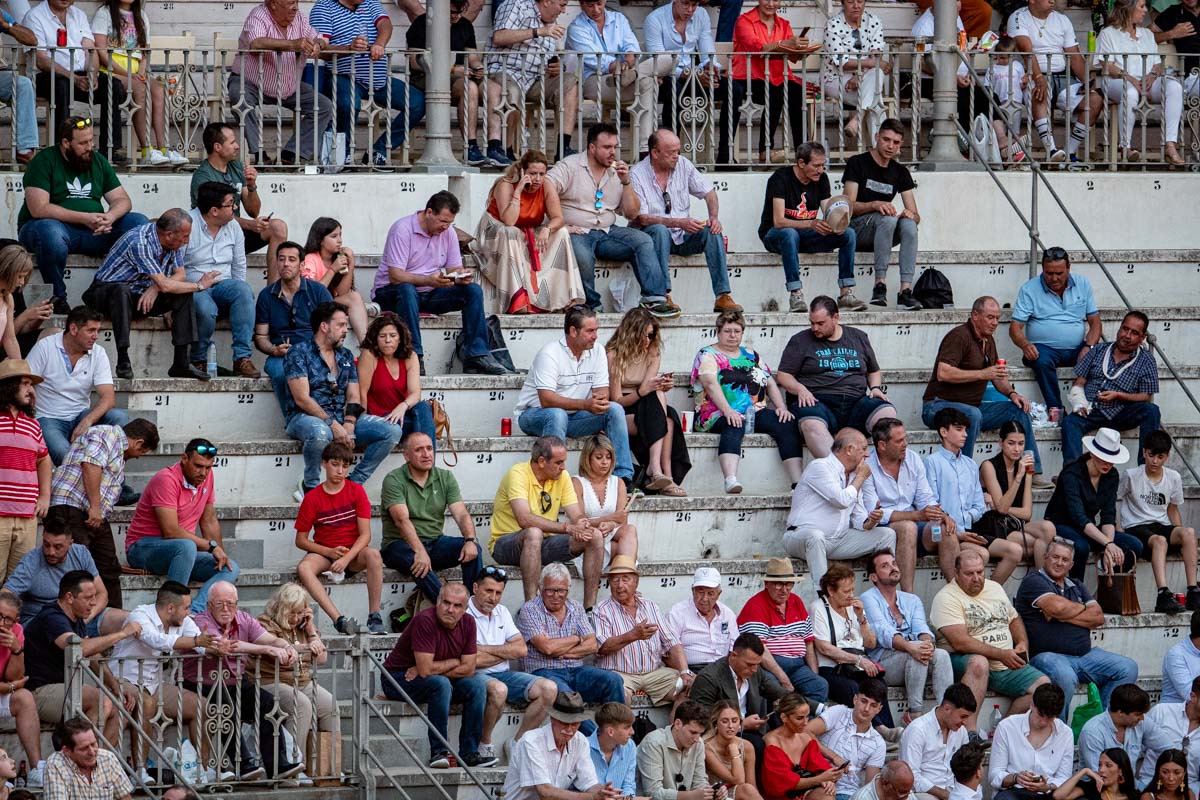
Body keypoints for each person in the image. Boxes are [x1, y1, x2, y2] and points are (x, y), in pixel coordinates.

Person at [17, 117, 148, 311]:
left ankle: (127, 290)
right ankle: (58, 298)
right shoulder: (43, 161)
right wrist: (84, 218)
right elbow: (39, 208)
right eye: (83, 143)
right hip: (50, 229)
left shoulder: (97, 161)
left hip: (93, 231)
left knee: (139, 223)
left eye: (91, 141)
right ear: (66, 143)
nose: (89, 147)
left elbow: (123, 200)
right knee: (50, 232)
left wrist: (110, 217)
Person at [549, 123, 677, 317]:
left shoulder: (617, 172)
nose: (613, 152)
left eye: (615, 147)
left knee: (643, 240)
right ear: (592, 148)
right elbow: (546, 186)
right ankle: (591, 305)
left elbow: (632, 213)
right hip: (578, 231)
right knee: (581, 254)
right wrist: (559, 222)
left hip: (607, 231)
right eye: (607, 147)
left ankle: (654, 299)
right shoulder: (570, 165)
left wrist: (626, 182)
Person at [372, 191, 508, 375]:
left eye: (450, 222)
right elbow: (395, 275)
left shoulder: (449, 233)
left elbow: (454, 268)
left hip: (428, 291)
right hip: (392, 292)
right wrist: (429, 280)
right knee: (407, 289)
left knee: (472, 291)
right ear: (429, 213)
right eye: (442, 221)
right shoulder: (402, 229)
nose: (446, 227)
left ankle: (476, 354)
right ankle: (414, 354)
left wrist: (461, 276)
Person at [181, 581, 304, 781]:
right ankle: (244, 764)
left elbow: (271, 639)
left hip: (235, 683)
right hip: (202, 685)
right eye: (219, 604)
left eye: (230, 603)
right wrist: (266, 649)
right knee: (225, 706)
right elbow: (225, 646)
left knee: (268, 703)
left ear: (237, 604)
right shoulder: (200, 622)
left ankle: (278, 765)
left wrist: (286, 646)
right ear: (209, 605)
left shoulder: (243, 618)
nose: (226, 608)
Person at [921, 296, 1045, 484]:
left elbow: (996, 375)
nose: (995, 322)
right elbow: (943, 373)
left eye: (997, 318)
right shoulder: (959, 336)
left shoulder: (989, 340)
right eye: (990, 317)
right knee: (973, 415)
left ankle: (1031, 471)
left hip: (972, 407)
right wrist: (981, 374)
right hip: (937, 407)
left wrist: (1013, 394)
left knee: (1017, 409)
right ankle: (965, 474)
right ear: (975, 315)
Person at [284, 301, 401, 500]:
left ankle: (352, 484)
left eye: (346, 325)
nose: (345, 330)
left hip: (341, 416)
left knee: (392, 431)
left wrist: (349, 423)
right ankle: (310, 486)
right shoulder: (298, 352)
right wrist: (333, 424)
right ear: (324, 327)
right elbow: (302, 399)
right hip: (306, 417)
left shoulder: (345, 354)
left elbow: (354, 395)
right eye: (340, 325)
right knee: (320, 433)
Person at [1014, 536, 1138, 721]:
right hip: (1047, 655)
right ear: (1045, 557)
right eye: (1055, 557)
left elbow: (1098, 617)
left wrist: (1061, 614)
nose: (1059, 563)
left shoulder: (1077, 585)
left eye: (1065, 560)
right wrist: (1076, 609)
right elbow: (1057, 607)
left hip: (1085, 656)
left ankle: (1099, 725)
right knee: (1064, 676)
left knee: (1128, 668)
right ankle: (1059, 729)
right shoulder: (1034, 581)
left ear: (1071, 565)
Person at [82, 210, 214, 381]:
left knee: (183, 295)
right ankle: (123, 359)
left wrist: (155, 287)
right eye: (185, 236)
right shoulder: (139, 241)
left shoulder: (172, 243)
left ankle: (181, 363)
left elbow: (180, 275)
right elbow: (166, 283)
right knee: (121, 290)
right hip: (103, 294)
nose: (186, 241)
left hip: (139, 294)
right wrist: (199, 285)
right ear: (169, 234)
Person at [929, 549, 1050, 730]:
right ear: (956, 573)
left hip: (1005, 663)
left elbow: (1014, 618)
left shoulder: (994, 587)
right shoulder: (946, 597)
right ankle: (969, 732)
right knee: (979, 663)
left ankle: (1002, 729)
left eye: (980, 572)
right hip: (965, 661)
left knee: (1043, 688)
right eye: (969, 574)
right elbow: (959, 642)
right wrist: (1001, 654)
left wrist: (1022, 643)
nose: (976, 578)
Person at [515, 305, 634, 486]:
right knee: (557, 414)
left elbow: (602, 394)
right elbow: (546, 400)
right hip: (534, 415)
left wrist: (596, 404)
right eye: (590, 331)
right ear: (573, 331)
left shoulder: (598, 351)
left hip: (574, 418)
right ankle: (556, 480)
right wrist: (585, 404)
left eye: (596, 330)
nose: (595, 336)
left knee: (614, 409)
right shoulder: (550, 353)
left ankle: (623, 478)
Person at [47, 418, 158, 608]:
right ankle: (74, 623)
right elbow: (91, 465)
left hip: (90, 511)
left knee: (109, 568)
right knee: (77, 569)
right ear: (138, 442)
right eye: (142, 451)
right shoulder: (107, 434)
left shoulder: (115, 446)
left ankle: (112, 620)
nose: (139, 456)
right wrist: (96, 507)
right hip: (71, 507)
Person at [631, 129, 741, 314]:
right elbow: (642, 217)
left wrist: (713, 217)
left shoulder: (683, 164)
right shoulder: (637, 174)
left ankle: (722, 295)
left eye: (678, 151)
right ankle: (663, 293)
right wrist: (678, 222)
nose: (676, 156)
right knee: (659, 230)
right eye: (671, 152)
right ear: (655, 153)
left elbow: (709, 193)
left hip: (681, 236)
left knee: (711, 230)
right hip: (653, 236)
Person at [108, 581, 207, 786]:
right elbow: (155, 640)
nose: (189, 613)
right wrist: (197, 642)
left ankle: (204, 769)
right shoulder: (140, 614)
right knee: (147, 703)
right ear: (170, 608)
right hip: (124, 679)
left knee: (201, 705)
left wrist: (218, 644)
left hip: (155, 683)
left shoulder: (182, 621)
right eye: (186, 608)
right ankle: (140, 771)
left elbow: (201, 643)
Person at [124, 438, 240, 614]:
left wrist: (219, 554)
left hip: (183, 553)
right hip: (142, 549)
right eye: (198, 466)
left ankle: (194, 612)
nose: (203, 472)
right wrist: (211, 546)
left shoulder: (206, 478)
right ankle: (171, 610)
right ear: (184, 458)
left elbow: (208, 520)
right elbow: (170, 531)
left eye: (208, 467)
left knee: (230, 567)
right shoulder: (166, 479)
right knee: (186, 545)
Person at [691, 310, 801, 494]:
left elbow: (770, 382)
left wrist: (781, 407)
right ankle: (730, 479)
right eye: (727, 331)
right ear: (718, 332)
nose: (732, 335)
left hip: (754, 411)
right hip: (716, 413)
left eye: (737, 331)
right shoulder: (707, 354)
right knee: (735, 423)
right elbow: (710, 384)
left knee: (786, 422)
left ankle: (798, 484)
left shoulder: (751, 354)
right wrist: (728, 411)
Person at [25, 571, 141, 745]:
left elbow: (93, 655)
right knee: (101, 700)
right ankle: (79, 756)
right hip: (40, 691)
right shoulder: (52, 617)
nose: (94, 603)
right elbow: (80, 648)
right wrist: (123, 633)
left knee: (122, 706)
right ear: (70, 597)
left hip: (67, 688)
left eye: (94, 596)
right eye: (88, 597)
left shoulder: (75, 616)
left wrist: (115, 686)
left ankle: (99, 762)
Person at [308, 0, 424, 170]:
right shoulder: (324, 7)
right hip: (343, 76)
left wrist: (379, 43)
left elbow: (386, 24)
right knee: (348, 104)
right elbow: (321, 49)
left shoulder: (369, 3)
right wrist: (349, 48)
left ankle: (379, 151)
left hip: (378, 80)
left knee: (417, 102)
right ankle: (343, 154)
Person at [490, 436, 605, 606]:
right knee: (533, 532)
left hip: (543, 542)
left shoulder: (562, 476)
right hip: (506, 544)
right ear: (542, 461)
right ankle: (532, 607)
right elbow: (524, 519)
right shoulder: (517, 474)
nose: (563, 467)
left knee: (594, 536)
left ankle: (590, 608)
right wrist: (567, 527)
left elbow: (576, 513)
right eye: (559, 462)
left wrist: (582, 523)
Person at [776, 295, 896, 458]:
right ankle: (837, 472)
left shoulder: (858, 337)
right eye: (812, 323)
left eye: (820, 323)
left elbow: (873, 370)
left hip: (856, 402)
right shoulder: (800, 340)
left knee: (887, 414)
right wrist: (800, 389)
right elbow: (783, 375)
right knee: (811, 424)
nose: (815, 328)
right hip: (817, 400)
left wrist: (875, 387)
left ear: (835, 318)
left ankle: (880, 474)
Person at [24, 281, 127, 463]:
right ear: (73, 329)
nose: (96, 336)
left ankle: (109, 478)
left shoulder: (98, 352)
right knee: (67, 455)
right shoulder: (45, 347)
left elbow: (108, 398)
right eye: (91, 330)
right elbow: (24, 383)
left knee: (121, 419)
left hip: (81, 415)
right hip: (48, 418)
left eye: (98, 330)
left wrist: (87, 421)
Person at [784, 430, 899, 587]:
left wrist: (871, 521)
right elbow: (841, 500)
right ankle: (824, 596)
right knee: (815, 537)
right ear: (849, 449)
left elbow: (859, 519)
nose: (868, 455)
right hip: (800, 537)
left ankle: (885, 590)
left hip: (838, 540)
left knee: (887, 534)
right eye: (863, 449)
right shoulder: (819, 467)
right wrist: (860, 478)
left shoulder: (854, 475)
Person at [474, 150, 583, 314]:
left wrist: (547, 229)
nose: (538, 179)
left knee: (561, 233)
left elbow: (558, 218)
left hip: (527, 230)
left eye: (542, 174)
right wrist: (518, 191)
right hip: (497, 233)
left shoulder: (546, 185)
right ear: (523, 171)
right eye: (533, 173)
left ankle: (565, 298)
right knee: (510, 232)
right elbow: (509, 221)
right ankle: (518, 299)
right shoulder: (505, 185)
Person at [294, 442, 385, 635]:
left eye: (345, 466)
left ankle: (375, 616)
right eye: (335, 464)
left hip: (352, 553)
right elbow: (301, 540)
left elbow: (366, 535)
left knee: (374, 555)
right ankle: (338, 619)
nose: (340, 471)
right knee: (304, 568)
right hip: (325, 552)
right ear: (324, 464)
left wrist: (346, 558)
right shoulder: (312, 498)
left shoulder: (357, 491)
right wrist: (328, 552)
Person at [565, 3, 674, 164]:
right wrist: (616, 65)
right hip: (596, 80)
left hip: (625, 77)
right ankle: (645, 151)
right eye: (589, 5)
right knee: (649, 80)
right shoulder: (576, 27)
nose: (596, 10)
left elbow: (632, 47)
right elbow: (594, 58)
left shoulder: (618, 19)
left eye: (599, 3)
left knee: (670, 58)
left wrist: (629, 60)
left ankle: (635, 74)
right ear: (581, 4)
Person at [857, 418, 959, 589]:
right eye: (899, 441)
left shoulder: (913, 459)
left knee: (944, 529)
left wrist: (941, 515)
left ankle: (958, 593)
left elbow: (925, 498)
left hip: (914, 527)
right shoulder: (867, 466)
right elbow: (873, 513)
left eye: (905, 438)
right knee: (907, 527)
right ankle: (907, 597)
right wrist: (915, 515)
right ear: (882, 445)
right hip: (881, 531)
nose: (905, 444)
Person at [926, 407, 1024, 584]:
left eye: (965, 429)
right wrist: (959, 525)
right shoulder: (932, 462)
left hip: (970, 530)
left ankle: (988, 596)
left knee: (1015, 551)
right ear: (943, 432)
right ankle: (971, 598)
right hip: (945, 532)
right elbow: (931, 504)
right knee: (982, 554)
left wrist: (968, 516)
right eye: (959, 429)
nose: (965, 434)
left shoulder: (970, 464)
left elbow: (979, 506)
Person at [382, 431, 481, 604]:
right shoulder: (394, 479)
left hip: (435, 542)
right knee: (415, 560)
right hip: (399, 545)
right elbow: (401, 520)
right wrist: (419, 551)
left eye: (429, 448)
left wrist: (470, 540)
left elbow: (461, 513)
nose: (426, 454)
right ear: (406, 455)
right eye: (419, 450)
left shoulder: (445, 477)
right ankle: (448, 606)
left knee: (473, 550)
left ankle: (472, 606)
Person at [228, 0, 332, 163]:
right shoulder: (258, 15)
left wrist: (318, 44)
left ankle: (291, 154)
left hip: (288, 86)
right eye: (291, 2)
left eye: (297, 2)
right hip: (252, 83)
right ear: (274, 4)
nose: (295, 7)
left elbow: (320, 39)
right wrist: (292, 44)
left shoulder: (300, 18)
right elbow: (257, 43)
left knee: (323, 106)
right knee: (239, 97)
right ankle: (258, 153)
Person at [468, 565, 559, 750]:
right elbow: (471, 660)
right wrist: (504, 652)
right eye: (488, 591)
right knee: (499, 690)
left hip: (504, 673)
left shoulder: (501, 611)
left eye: (498, 593)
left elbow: (521, 649)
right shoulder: (463, 612)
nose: (493, 598)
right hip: (474, 675)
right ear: (475, 588)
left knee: (549, 689)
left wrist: (483, 649)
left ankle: (517, 743)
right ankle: (485, 744)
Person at [759, 143, 857, 313]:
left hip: (806, 237)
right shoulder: (780, 178)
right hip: (776, 236)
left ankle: (846, 293)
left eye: (823, 165)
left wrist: (837, 224)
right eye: (816, 165)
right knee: (789, 234)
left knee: (848, 234)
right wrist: (811, 223)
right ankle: (796, 294)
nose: (821, 170)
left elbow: (828, 211)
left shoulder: (821, 179)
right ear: (801, 163)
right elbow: (779, 221)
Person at [484, 0, 580, 167]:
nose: (564, 11)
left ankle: (563, 149)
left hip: (536, 78)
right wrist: (539, 32)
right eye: (562, 5)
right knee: (510, 90)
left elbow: (548, 54)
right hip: (507, 72)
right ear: (548, 1)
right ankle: (501, 150)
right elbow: (499, 36)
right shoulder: (516, 5)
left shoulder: (550, 19)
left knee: (570, 82)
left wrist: (558, 66)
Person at [255, 583, 337, 777]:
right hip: (269, 682)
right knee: (301, 704)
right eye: (292, 612)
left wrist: (311, 631)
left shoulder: (303, 626)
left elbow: (323, 659)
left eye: (301, 613)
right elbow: (284, 654)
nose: (296, 618)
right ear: (280, 607)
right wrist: (309, 648)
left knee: (330, 706)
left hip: (301, 682)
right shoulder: (264, 624)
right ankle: (292, 766)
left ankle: (326, 769)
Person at [515, 564, 625, 707]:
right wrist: (576, 639)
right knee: (570, 701)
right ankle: (595, 731)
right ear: (540, 588)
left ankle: (617, 727)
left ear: (568, 589)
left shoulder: (576, 607)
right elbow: (548, 648)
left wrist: (564, 653)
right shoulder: (530, 609)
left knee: (613, 680)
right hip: (544, 672)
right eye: (550, 590)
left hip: (576, 670)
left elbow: (592, 645)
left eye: (561, 590)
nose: (556, 596)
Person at [90, 0, 185, 167]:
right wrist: (127, 74)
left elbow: (144, 51)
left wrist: (140, 72)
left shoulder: (141, 15)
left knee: (159, 90)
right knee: (141, 90)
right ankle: (146, 150)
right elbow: (102, 52)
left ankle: (164, 149)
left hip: (135, 73)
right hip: (111, 72)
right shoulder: (104, 13)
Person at [26, 1, 126, 159]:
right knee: (61, 85)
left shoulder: (78, 14)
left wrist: (92, 73)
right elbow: (41, 60)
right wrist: (72, 77)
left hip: (80, 74)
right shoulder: (35, 16)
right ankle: (64, 148)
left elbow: (89, 49)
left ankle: (110, 149)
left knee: (113, 85)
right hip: (48, 75)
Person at [861, 550, 954, 720]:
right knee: (916, 654)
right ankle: (915, 713)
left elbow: (922, 629)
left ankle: (946, 711)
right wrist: (912, 647)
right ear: (873, 577)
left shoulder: (912, 599)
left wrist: (926, 643)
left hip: (913, 654)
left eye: (894, 563)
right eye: (885, 565)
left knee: (941, 655)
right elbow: (883, 632)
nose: (893, 568)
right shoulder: (868, 598)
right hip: (883, 662)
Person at [1008, 0, 1103, 163]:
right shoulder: (1018, 17)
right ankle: (1051, 150)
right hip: (1031, 75)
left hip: (1063, 76)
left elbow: (1074, 56)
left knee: (1094, 101)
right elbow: (1026, 50)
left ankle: (1068, 153)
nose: (1052, 0)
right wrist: (1038, 78)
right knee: (1039, 93)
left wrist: (1087, 83)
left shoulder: (1062, 19)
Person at [190, 121, 289, 279]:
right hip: (214, 235)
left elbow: (253, 211)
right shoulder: (203, 176)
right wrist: (250, 224)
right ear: (217, 147)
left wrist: (251, 186)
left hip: (236, 231)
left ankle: (272, 294)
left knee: (278, 228)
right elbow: (214, 215)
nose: (237, 146)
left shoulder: (235, 166)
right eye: (232, 142)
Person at [842, 121, 923, 311]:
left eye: (896, 142)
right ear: (877, 137)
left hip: (884, 232)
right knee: (887, 218)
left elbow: (917, 216)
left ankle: (906, 291)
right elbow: (846, 207)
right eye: (886, 140)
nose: (890, 146)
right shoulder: (858, 163)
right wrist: (874, 205)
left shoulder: (900, 172)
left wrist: (910, 214)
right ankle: (880, 285)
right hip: (857, 231)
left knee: (909, 224)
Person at [605, 309, 687, 494]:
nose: (647, 341)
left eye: (651, 335)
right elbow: (616, 401)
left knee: (667, 415)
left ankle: (662, 473)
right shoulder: (614, 355)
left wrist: (661, 384)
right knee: (663, 412)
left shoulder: (653, 353)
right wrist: (642, 392)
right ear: (631, 334)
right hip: (621, 410)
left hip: (646, 406)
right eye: (643, 336)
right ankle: (660, 473)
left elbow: (649, 388)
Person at [1044, 428, 1143, 582]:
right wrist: (1107, 543)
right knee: (1081, 547)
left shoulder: (1112, 475)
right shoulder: (1072, 474)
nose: (1108, 464)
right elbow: (1078, 516)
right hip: (1062, 524)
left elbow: (1108, 515)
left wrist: (1108, 546)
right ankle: (1076, 592)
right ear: (1092, 454)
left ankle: (1108, 586)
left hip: (1089, 528)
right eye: (1103, 458)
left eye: (1111, 459)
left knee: (1134, 544)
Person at [1009, 248, 1102, 411]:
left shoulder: (1083, 284)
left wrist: (1089, 346)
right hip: (1044, 350)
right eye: (1049, 273)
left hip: (1077, 348)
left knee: (1102, 354)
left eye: (1059, 273)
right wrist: (1025, 345)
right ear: (1042, 269)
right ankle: (1056, 409)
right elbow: (1015, 328)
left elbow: (1095, 323)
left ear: (1068, 268)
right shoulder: (1029, 289)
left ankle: (1092, 407)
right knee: (1041, 360)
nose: (1054, 278)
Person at [185, 181, 261, 379]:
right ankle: (198, 359)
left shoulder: (233, 226)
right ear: (214, 211)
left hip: (223, 285)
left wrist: (239, 290)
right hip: (194, 286)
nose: (235, 208)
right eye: (230, 204)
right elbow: (172, 266)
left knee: (243, 290)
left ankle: (242, 358)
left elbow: (239, 264)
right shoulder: (187, 225)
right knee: (205, 307)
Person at [1063, 311, 1160, 465]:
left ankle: (1144, 468)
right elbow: (1079, 384)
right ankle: (1073, 473)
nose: (1127, 335)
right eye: (1125, 329)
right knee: (1069, 423)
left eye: (1134, 333)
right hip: (1092, 410)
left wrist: (1119, 395)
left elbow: (1146, 396)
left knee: (1151, 410)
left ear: (1142, 338)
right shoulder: (1099, 350)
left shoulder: (1146, 360)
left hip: (1121, 412)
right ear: (1119, 328)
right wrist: (1079, 404)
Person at [594, 556, 691, 707]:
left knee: (687, 689)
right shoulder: (602, 610)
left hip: (654, 674)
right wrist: (632, 636)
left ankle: (674, 731)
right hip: (619, 674)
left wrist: (685, 672)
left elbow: (673, 643)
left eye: (625, 579)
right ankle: (625, 731)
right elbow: (602, 648)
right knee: (618, 697)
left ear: (636, 582)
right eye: (615, 580)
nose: (620, 585)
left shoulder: (650, 606)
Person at [1121, 430, 1199, 614]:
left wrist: (1179, 533)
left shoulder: (1173, 477)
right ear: (1143, 453)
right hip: (1136, 526)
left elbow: (1172, 509)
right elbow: (1115, 502)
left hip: (1161, 524)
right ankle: (1163, 594)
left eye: (1160, 456)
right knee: (1159, 541)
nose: (1155, 461)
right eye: (1151, 455)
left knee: (1188, 533)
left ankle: (1193, 591)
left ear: (1167, 456)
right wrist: (1118, 532)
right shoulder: (1131, 475)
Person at [810, 567, 894, 730]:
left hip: (855, 666)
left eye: (852, 590)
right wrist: (858, 660)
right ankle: (878, 729)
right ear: (831, 591)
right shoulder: (818, 608)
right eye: (846, 591)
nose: (851, 595)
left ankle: (887, 728)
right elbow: (824, 647)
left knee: (879, 684)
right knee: (854, 689)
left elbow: (870, 643)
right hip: (832, 668)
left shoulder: (853, 607)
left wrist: (861, 617)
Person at [254, 242, 334, 411]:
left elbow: (332, 330)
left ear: (302, 264)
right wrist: (274, 350)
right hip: (281, 356)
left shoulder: (319, 292)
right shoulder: (266, 296)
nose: (286, 264)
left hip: (314, 353)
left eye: (291, 259)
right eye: (281, 259)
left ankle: (319, 419)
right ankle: (293, 418)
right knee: (282, 374)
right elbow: (261, 337)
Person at [736, 559, 829, 704]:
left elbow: (808, 642)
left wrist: (813, 673)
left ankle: (807, 725)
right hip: (768, 666)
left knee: (819, 685)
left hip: (798, 664)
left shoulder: (796, 601)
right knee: (775, 690)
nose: (784, 589)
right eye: (778, 584)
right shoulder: (755, 606)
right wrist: (784, 680)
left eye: (788, 584)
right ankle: (783, 726)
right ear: (767, 584)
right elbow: (760, 650)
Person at [405, 0, 483, 165]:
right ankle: (471, 146)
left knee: (493, 89)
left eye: (461, 12)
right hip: (426, 76)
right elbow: (414, 62)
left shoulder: (465, 25)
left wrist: (477, 67)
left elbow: (472, 56)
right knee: (469, 88)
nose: (457, 16)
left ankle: (495, 147)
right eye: (453, 12)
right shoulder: (422, 23)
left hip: (460, 76)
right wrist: (453, 69)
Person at [977, 421, 1058, 578]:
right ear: (1001, 443)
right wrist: (1019, 476)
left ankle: (1040, 583)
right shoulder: (989, 466)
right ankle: (1041, 584)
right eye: (1011, 443)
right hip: (993, 525)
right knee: (1042, 546)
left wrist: (998, 506)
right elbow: (1002, 509)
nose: (1017, 449)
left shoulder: (1025, 467)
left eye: (1021, 444)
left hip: (1015, 523)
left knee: (1048, 528)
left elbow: (1026, 513)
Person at [691, 634, 786, 765]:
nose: (754, 670)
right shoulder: (709, 678)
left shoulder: (754, 672)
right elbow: (701, 721)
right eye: (749, 664)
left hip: (750, 730)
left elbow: (781, 694)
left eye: (757, 665)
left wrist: (819, 708)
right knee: (757, 745)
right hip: (719, 735)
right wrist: (741, 725)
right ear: (733, 656)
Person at [731, 0, 807, 165]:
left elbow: (792, 57)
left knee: (797, 92)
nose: (771, 3)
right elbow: (757, 49)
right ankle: (765, 150)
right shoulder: (744, 21)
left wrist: (801, 49)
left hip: (778, 77)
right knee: (776, 92)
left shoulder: (784, 24)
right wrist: (783, 44)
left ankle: (804, 152)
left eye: (776, 0)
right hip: (748, 78)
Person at [356, 313, 437, 463]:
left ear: (400, 338)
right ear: (375, 338)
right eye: (382, 336)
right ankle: (427, 467)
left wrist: (402, 406)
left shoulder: (410, 356)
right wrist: (363, 426)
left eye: (393, 335)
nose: (388, 340)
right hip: (383, 420)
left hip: (403, 416)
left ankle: (426, 465)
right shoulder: (369, 355)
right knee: (425, 426)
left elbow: (415, 393)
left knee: (423, 408)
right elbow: (362, 393)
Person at [501, 691, 612, 800]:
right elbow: (544, 792)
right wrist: (592, 797)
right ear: (553, 719)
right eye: (564, 722)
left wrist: (605, 793)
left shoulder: (580, 741)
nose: (569, 729)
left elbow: (590, 784)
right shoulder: (531, 741)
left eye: (574, 724)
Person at [643, 0, 729, 137]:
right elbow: (659, 63)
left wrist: (711, 67)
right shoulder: (654, 19)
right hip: (666, 77)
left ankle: (725, 154)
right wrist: (689, 74)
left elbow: (708, 54)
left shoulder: (701, 15)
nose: (690, 9)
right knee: (674, 89)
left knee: (734, 90)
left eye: (694, 5)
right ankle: (670, 150)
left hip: (694, 75)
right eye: (685, 3)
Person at [0, 361, 49, 584]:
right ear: (9, 387)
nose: (31, 390)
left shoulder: (33, 425)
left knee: (17, 583)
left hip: (27, 517)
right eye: (25, 384)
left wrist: (45, 496)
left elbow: (44, 459)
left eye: (32, 384)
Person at [987, 684, 1074, 800]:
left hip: (1047, 794)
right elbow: (994, 775)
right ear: (1032, 704)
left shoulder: (1065, 733)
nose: (1043, 722)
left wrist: (1047, 786)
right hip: (1013, 791)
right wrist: (1016, 778)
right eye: (1040, 715)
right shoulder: (1007, 726)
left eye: (1049, 718)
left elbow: (1064, 778)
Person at [823, 0, 888, 149]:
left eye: (860, 1)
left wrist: (859, 75)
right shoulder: (833, 25)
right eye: (851, 2)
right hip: (837, 79)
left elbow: (875, 55)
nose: (856, 6)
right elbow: (842, 62)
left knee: (875, 79)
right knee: (875, 97)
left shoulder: (874, 21)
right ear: (843, 3)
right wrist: (869, 66)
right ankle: (882, 154)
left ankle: (857, 119)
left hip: (865, 78)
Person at [811, 679, 889, 798]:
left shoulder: (878, 743)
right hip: (819, 782)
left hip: (849, 793)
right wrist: (834, 757)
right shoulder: (839, 712)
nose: (867, 709)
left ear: (879, 709)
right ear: (855, 699)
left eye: (873, 705)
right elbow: (805, 732)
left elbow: (870, 786)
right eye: (864, 701)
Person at [571, 434, 641, 564]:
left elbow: (622, 521)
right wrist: (609, 518)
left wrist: (611, 524)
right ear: (587, 458)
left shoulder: (618, 482)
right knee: (619, 550)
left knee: (630, 530)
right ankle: (625, 575)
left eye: (608, 457)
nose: (605, 462)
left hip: (611, 534)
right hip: (587, 537)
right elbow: (580, 523)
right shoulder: (577, 482)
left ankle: (624, 575)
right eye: (599, 457)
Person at [0, 590, 45, 789]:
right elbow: (12, 684)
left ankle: (36, 769)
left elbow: (16, 678)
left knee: (24, 697)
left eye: (7, 619)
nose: (1, 623)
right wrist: (10, 687)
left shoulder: (16, 631)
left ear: (16, 620)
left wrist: (17, 649)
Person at [899, 685, 976, 800]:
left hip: (953, 791)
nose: (965, 722)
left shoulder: (961, 731)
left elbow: (965, 768)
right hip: (921, 793)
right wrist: (948, 796)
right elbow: (911, 776)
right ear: (947, 708)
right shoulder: (917, 730)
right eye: (962, 716)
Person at [636, 700, 725, 800]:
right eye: (693, 732)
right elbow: (652, 793)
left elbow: (699, 781)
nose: (696, 739)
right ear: (678, 724)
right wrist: (691, 796)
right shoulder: (653, 743)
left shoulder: (698, 743)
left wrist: (711, 792)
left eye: (700, 733)